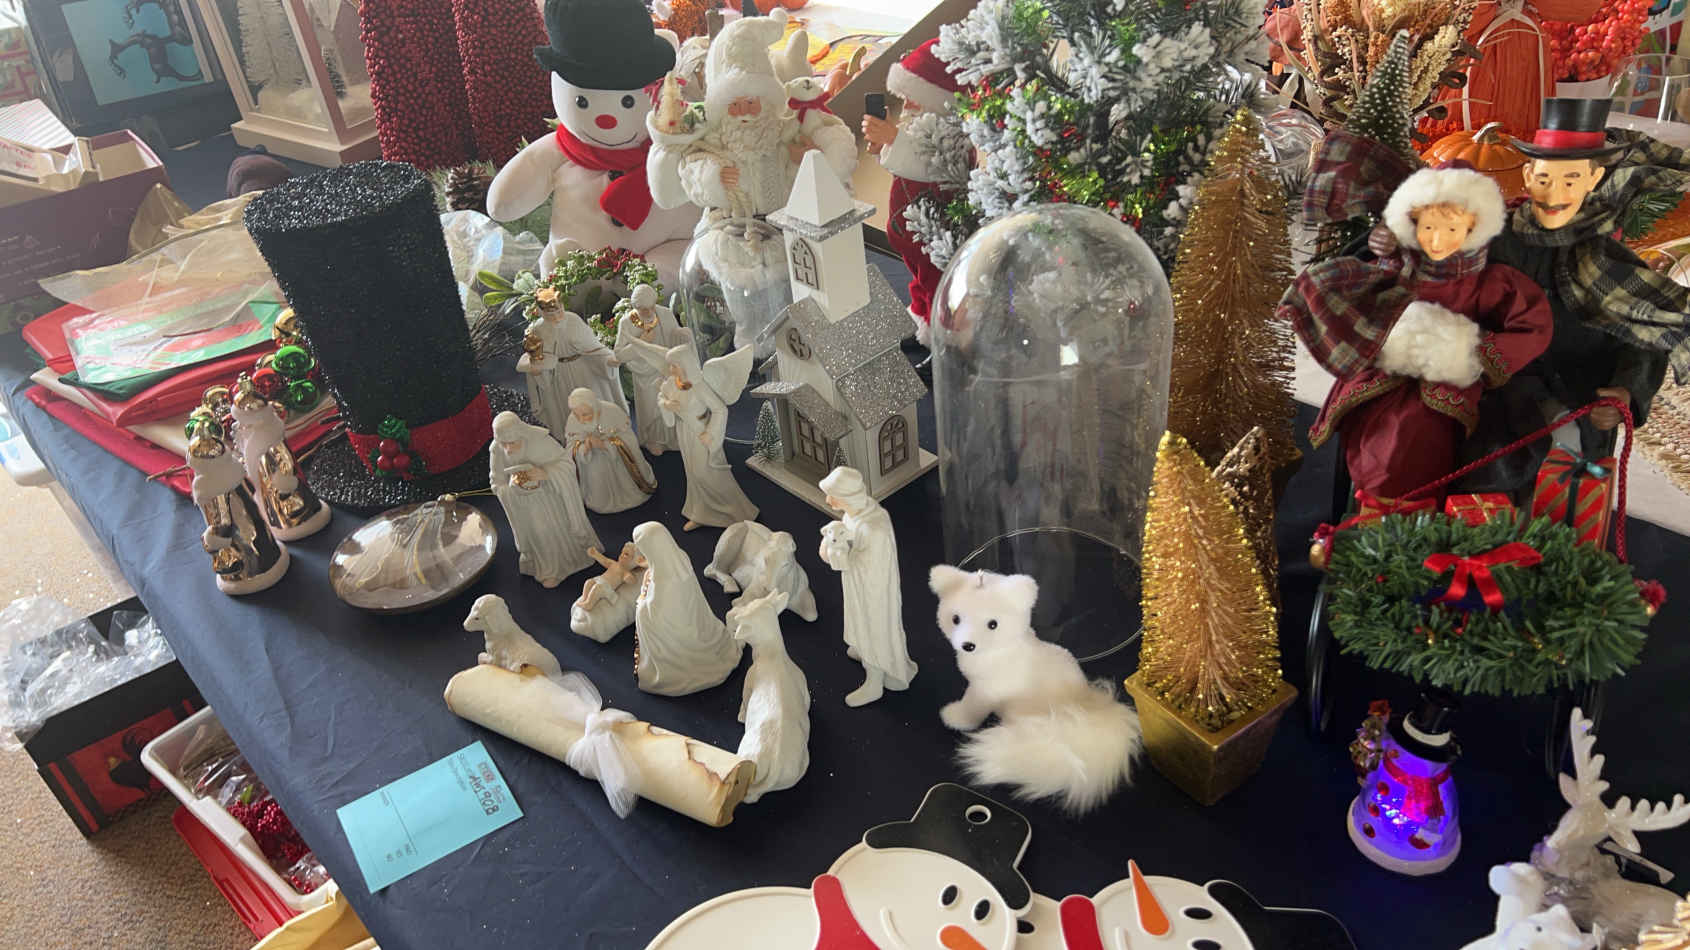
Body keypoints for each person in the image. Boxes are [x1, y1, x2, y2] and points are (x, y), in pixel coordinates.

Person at [1282, 162, 1552, 498]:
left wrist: (1473, 354)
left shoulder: (1489, 282)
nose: (1438, 240)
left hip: (1444, 383)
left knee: (1415, 434)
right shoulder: (1398, 267)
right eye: (1428, 227)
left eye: (1452, 229)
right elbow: (1352, 294)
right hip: (1382, 373)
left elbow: (1533, 325)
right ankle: (1371, 500)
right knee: (1367, 426)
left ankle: (1408, 505)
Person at [1485, 98, 1690, 461]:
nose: (1556, 195)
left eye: (1572, 180)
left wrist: (1626, 392)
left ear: (1593, 181)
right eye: (1545, 179)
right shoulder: (1493, 242)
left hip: (1583, 405)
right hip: (1500, 401)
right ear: (1528, 176)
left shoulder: (1610, 263)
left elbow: (1643, 338)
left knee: (1570, 475)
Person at [861, 39, 971, 343]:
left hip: (935, 232)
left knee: (937, 281)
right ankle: (922, 315)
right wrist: (885, 146)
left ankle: (946, 336)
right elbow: (905, 162)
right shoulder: (921, 127)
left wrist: (894, 140)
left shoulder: (953, 137)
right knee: (919, 280)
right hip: (911, 228)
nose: (907, 105)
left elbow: (931, 165)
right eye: (906, 97)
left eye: (914, 98)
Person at [817, 466, 917, 707]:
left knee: (873, 629)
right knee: (860, 625)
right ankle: (864, 650)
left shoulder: (874, 529)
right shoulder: (855, 514)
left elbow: (863, 565)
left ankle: (875, 680)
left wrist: (834, 550)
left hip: (873, 593)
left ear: (848, 496)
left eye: (833, 496)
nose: (828, 500)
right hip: (858, 587)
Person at [489, 411, 600, 587]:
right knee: (540, 533)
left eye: (512, 443)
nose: (508, 449)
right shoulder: (496, 449)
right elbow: (496, 482)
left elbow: (566, 463)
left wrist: (546, 473)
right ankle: (550, 570)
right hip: (525, 504)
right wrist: (510, 488)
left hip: (552, 497)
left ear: (521, 433)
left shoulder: (539, 440)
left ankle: (578, 557)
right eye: (504, 444)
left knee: (560, 526)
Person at [631, 520, 741, 696]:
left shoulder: (665, 584)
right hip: (693, 616)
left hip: (677, 630)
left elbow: (655, 615)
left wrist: (642, 603)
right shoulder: (678, 557)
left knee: (642, 614)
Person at [659, 343, 759, 530]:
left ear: (684, 364)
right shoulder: (671, 383)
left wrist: (710, 432)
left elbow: (720, 409)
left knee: (706, 473)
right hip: (684, 431)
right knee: (692, 473)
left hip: (700, 432)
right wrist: (666, 404)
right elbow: (661, 396)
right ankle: (701, 513)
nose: (670, 369)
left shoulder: (699, 386)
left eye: (674, 365)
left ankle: (736, 512)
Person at [520, 294, 625, 439]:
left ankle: (605, 435)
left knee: (592, 402)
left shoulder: (573, 320)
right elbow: (536, 358)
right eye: (550, 314)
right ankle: (576, 440)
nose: (556, 317)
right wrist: (538, 371)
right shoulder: (537, 329)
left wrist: (608, 360)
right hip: (558, 375)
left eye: (558, 311)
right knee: (568, 409)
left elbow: (592, 346)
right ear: (541, 312)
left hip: (582, 369)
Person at [613, 283, 691, 453]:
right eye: (644, 309)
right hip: (644, 374)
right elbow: (619, 355)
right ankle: (653, 439)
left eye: (651, 307)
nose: (649, 312)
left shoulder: (665, 313)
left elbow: (674, 334)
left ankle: (672, 438)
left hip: (667, 369)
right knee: (651, 408)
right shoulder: (626, 323)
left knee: (671, 403)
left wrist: (682, 334)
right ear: (635, 307)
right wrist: (641, 342)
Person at [564, 387, 656, 513]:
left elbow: (629, 439)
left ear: (594, 408)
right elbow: (570, 446)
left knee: (628, 486)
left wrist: (606, 445)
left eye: (585, 414)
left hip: (619, 461)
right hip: (592, 462)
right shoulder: (572, 419)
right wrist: (583, 448)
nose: (581, 420)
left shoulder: (612, 411)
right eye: (576, 415)